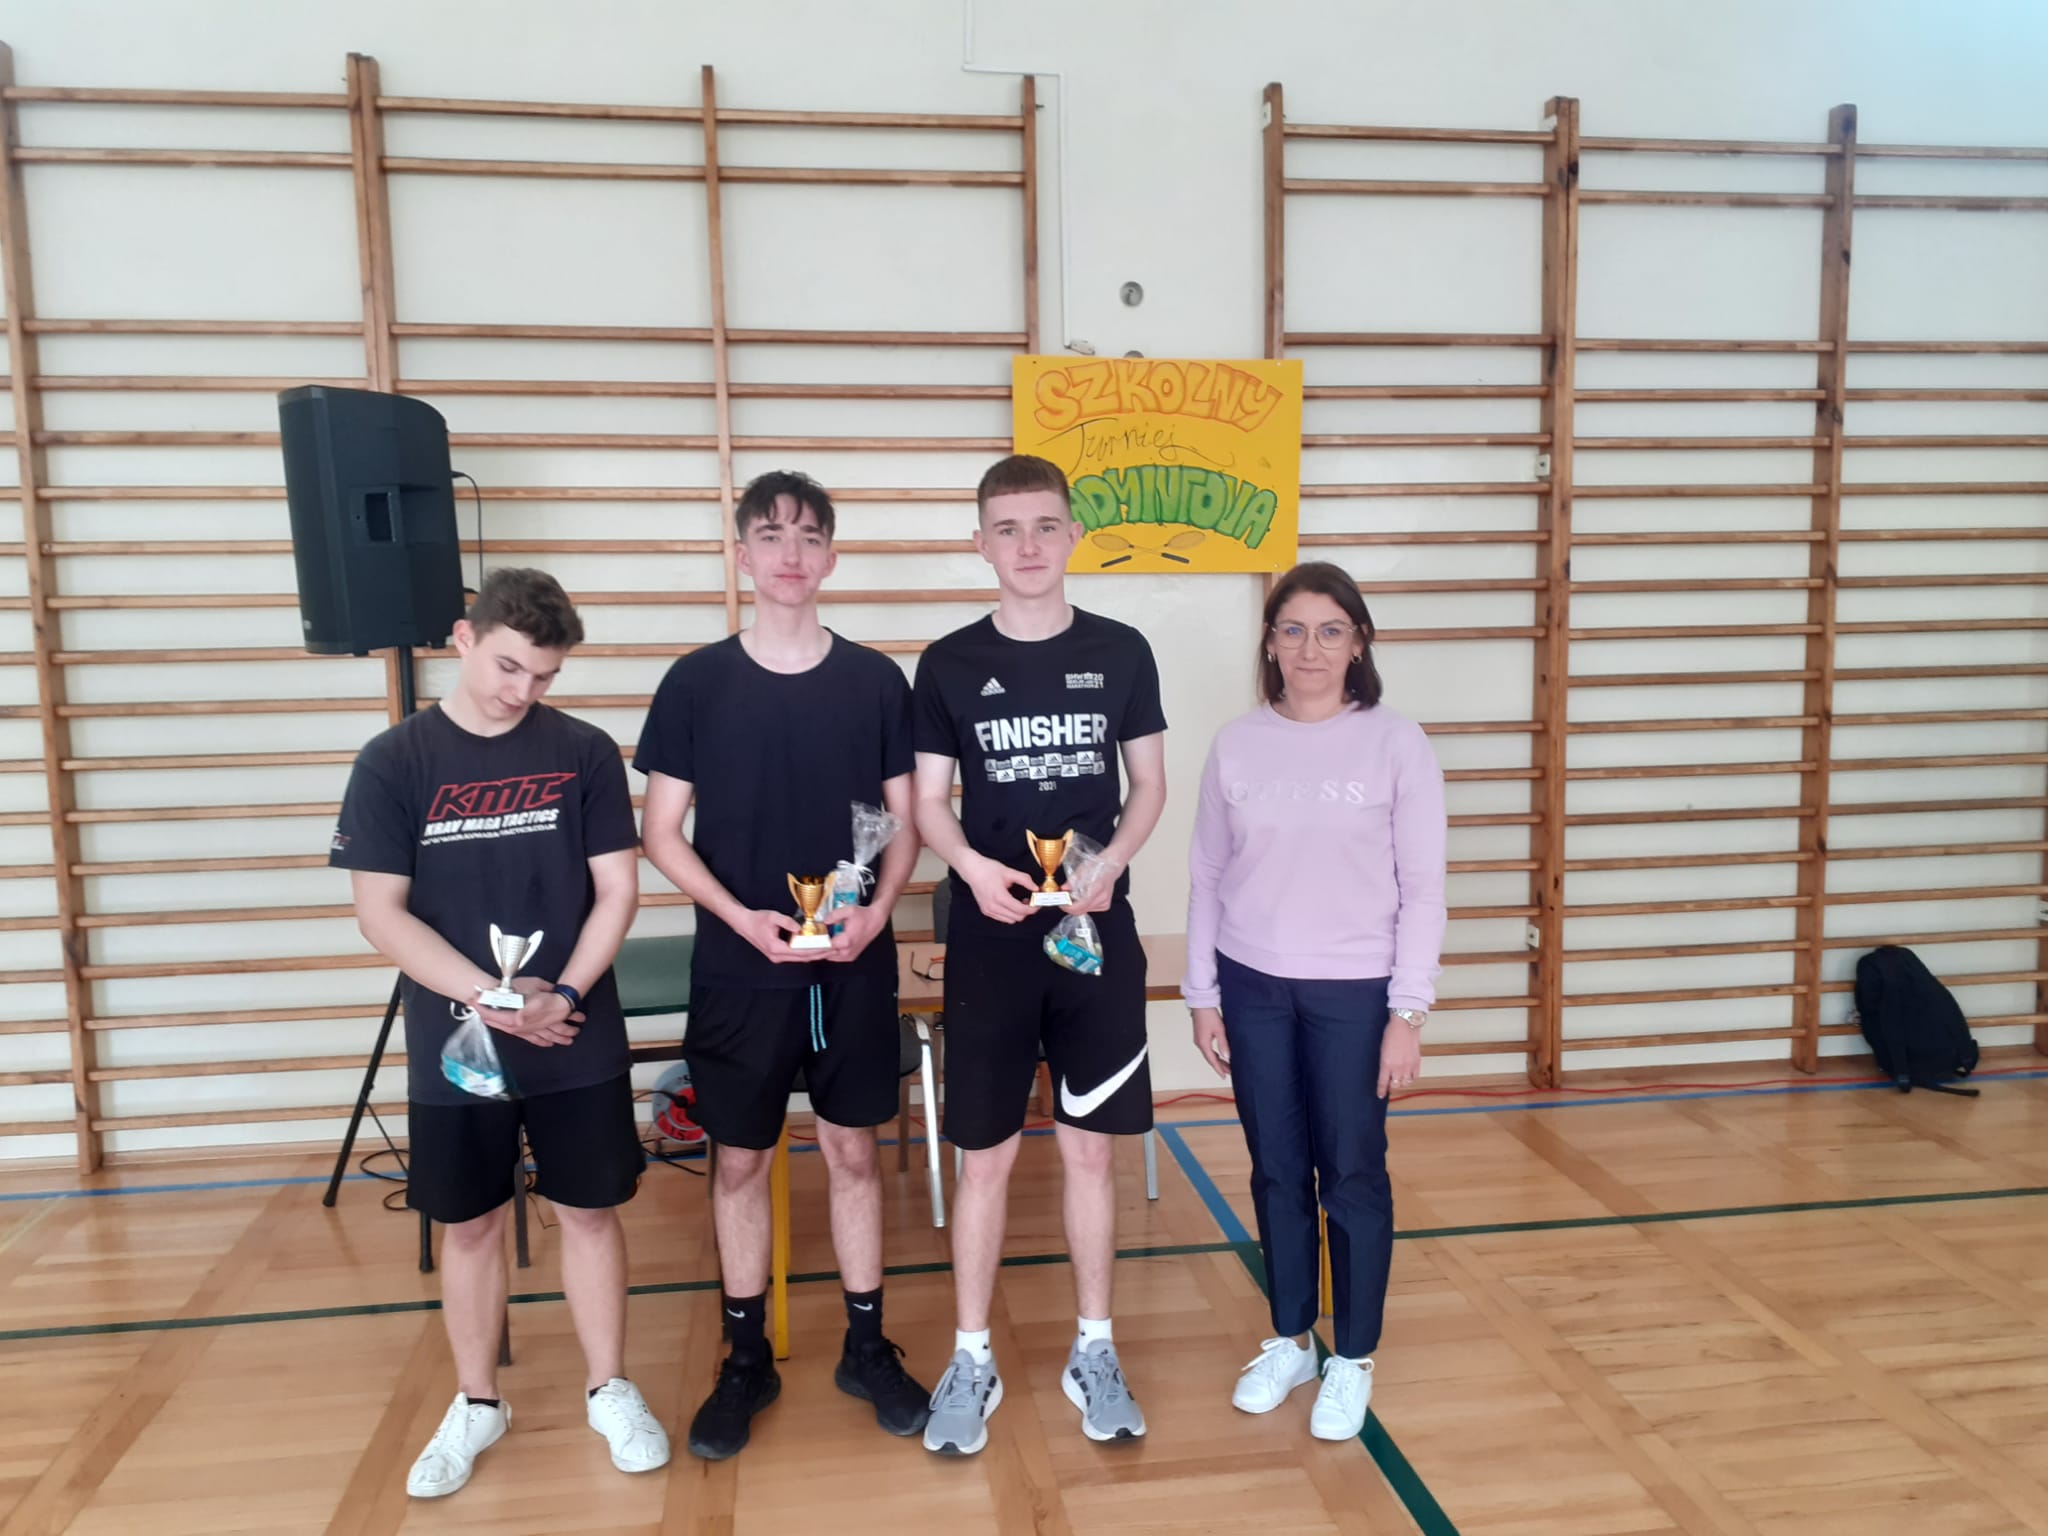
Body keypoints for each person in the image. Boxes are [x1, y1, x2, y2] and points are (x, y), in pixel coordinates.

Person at [332, 568, 669, 1498]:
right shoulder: (393, 762)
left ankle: (610, 1387)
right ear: (463, 638)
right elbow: (380, 913)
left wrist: (564, 990)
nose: (523, 691)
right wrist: (489, 997)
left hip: (574, 1031)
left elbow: (618, 890)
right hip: (458, 1044)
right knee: (472, 1223)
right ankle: (479, 1401)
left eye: (544, 676)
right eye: (510, 667)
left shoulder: (584, 752)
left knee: (589, 1211)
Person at [637, 470, 929, 1460]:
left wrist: (875, 911)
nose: (790, 553)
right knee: (739, 1161)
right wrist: (737, 917)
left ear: (831, 556)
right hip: (739, 968)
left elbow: (899, 823)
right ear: (742, 555)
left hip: (850, 964)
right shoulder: (695, 683)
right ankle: (744, 1358)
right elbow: (660, 832)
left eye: (808, 536)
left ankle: (864, 1346)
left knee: (852, 1152)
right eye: (770, 535)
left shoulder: (875, 682)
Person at [911, 453, 1169, 1455]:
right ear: (980, 543)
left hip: (1094, 931)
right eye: (1007, 528)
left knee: (1090, 1150)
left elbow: (1147, 784)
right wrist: (972, 868)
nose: (1027, 544)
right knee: (982, 1158)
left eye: (1045, 525)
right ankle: (970, 1355)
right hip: (991, 936)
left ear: (1073, 536)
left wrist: (1113, 861)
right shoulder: (946, 663)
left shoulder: (1121, 651)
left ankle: (1093, 1347)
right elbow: (928, 801)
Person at [1182, 560, 1447, 1441]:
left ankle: (1353, 1356)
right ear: (1270, 643)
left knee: (1353, 1175)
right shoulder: (1237, 744)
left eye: (1331, 631)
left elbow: (1424, 889)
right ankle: (1292, 1337)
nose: (1310, 648)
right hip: (1252, 985)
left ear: (1358, 643)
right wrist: (1202, 995)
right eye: (1292, 630)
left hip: (1356, 993)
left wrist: (1407, 1013)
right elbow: (1207, 874)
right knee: (1276, 1168)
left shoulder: (1397, 744)